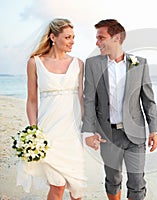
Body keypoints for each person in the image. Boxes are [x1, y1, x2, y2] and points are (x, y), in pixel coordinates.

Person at [82, 19, 157, 200]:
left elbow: (148, 100)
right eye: (97, 38)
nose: (97, 42)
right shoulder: (92, 64)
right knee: (112, 179)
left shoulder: (139, 63)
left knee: (137, 182)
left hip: (136, 134)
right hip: (107, 135)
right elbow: (89, 100)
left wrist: (154, 129)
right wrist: (89, 131)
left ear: (116, 38)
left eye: (101, 37)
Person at [18, 18, 87, 200]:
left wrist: (91, 127)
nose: (72, 41)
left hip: (72, 134)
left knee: (77, 190)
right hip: (49, 133)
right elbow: (32, 101)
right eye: (67, 37)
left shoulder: (78, 64)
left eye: (73, 37)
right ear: (53, 37)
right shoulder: (35, 63)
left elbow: (81, 98)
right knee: (57, 186)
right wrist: (33, 131)